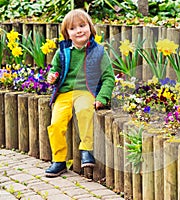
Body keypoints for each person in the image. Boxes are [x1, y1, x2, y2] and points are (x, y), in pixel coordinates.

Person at [45, 9, 115, 177]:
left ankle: (86, 150)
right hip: (65, 93)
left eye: (82, 26)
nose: (79, 31)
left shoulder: (98, 51)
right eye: (73, 28)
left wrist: (102, 97)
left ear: (90, 28)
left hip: (86, 91)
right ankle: (59, 160)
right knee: (56, 123)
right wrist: (52, 76)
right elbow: (54, 69)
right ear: (67, 34)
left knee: (84, 112)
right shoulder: (63, 51)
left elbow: (109, 77)